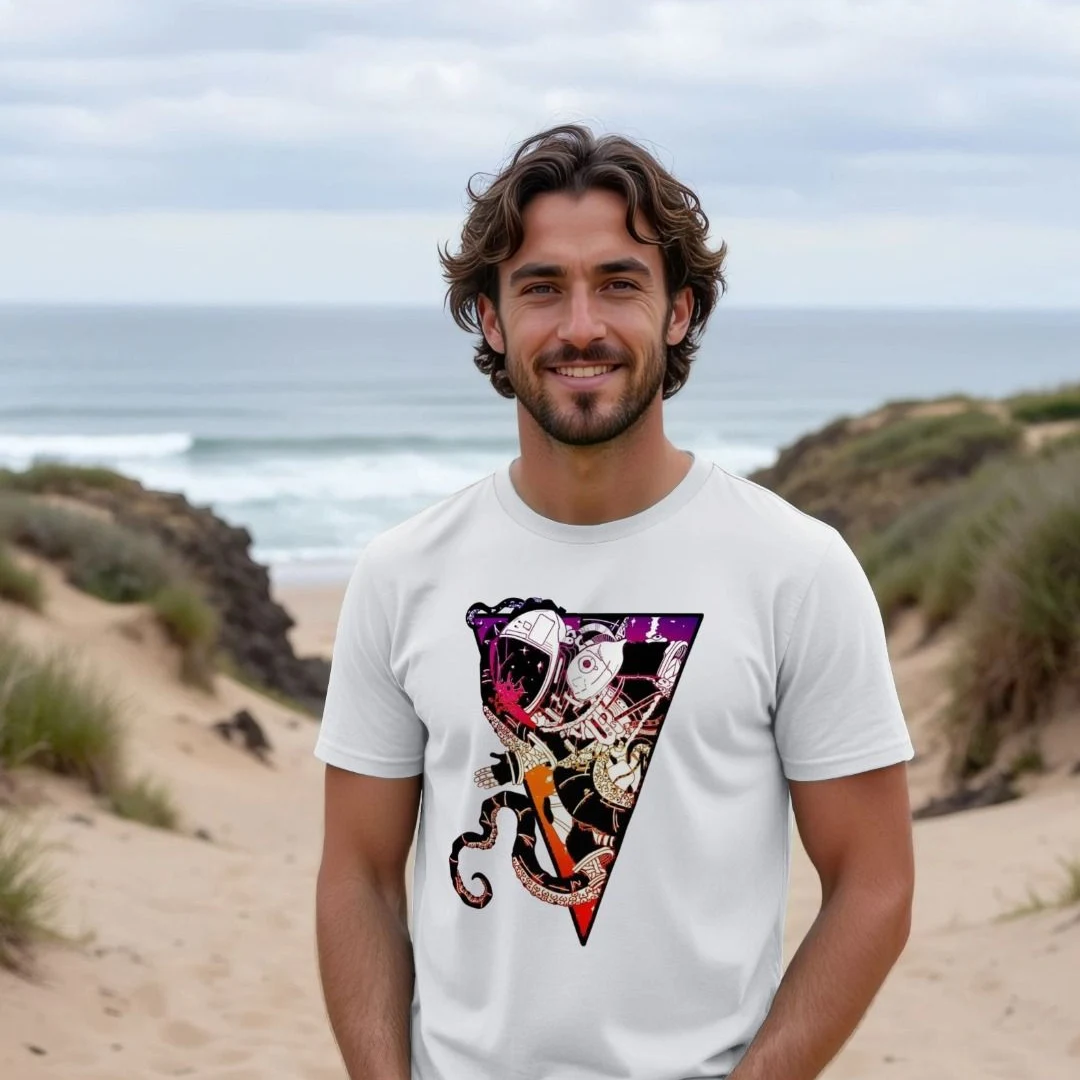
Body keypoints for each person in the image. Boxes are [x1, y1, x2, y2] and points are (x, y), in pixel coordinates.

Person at [314, 124, 915, 1080]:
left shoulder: (798, 569)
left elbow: (875, 882)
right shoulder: (401, 573)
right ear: (491, 320)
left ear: (680, 311)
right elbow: (358, 877)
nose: (581, 326)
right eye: (542, 287)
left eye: (620, 283)